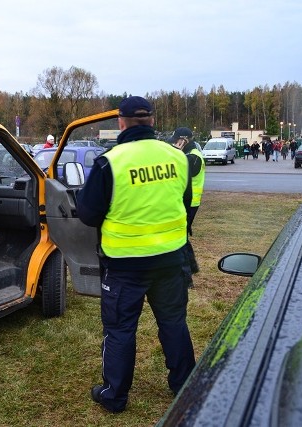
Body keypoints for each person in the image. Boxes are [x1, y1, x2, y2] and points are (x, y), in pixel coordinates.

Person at [76, 96, 196, 413]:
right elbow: (182, 202)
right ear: (153, 122)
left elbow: (87, 214)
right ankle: (185, 385)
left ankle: (114, 395)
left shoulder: (110, 162)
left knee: (119, 330)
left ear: (121, 123)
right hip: (170, 260)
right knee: (174, 323)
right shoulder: (178, 157)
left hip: (124, 265)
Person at [167, 127, 205, 282]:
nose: (175, 143)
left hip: (190, 202)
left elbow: (178, 171)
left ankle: (186, 277)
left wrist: (175, 152)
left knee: (180, 239)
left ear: (184, 140)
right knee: (183, 237)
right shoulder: (189, 154)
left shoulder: (193, 157)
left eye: (177, 140)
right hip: (187, 201)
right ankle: (192, 266)